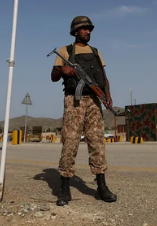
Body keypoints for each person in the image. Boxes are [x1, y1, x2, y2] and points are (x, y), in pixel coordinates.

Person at [50, 16, 117, 206]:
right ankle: (64, 187)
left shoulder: (95, 51)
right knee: (70, 141)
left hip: (95, 101)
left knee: (97, 141)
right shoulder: (66, 51)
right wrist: (63, 70)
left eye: (90, 29)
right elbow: (53, 76)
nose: (88, 32)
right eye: (84, 29)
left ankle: (101, 186)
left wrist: (108, 96)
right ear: (75, 31)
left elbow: (103, 76)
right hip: (74, 101)